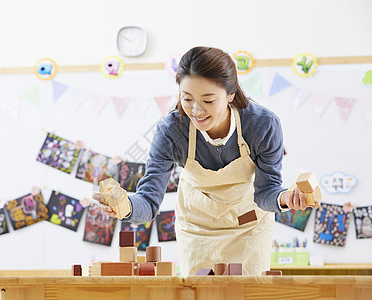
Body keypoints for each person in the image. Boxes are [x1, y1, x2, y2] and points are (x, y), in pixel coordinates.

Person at [93, 46, 320, 276]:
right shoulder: (172, 131)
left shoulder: (262, 125)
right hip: (197, 230)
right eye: (187, 98)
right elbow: (149, 202)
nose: (196, 110)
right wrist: (125, 207)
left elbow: (265, 194)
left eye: (208, 100)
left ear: (230, 94)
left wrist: (285, 198)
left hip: (248, 226)